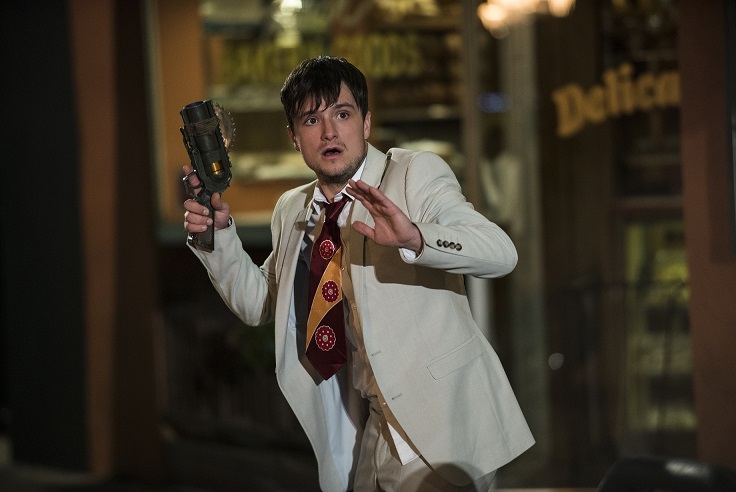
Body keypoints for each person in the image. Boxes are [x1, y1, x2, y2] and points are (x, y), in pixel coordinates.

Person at [183, 56, 533, 492]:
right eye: (312, 120)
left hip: (444, 427)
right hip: (372, 427)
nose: (329, 132)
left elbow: (500, 253)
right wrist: (218, 237)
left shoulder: (414, 174)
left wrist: (416, 238)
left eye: (343, 115)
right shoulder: (293, 208)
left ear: (366, 123)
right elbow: (259, 305)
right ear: (294, 137)